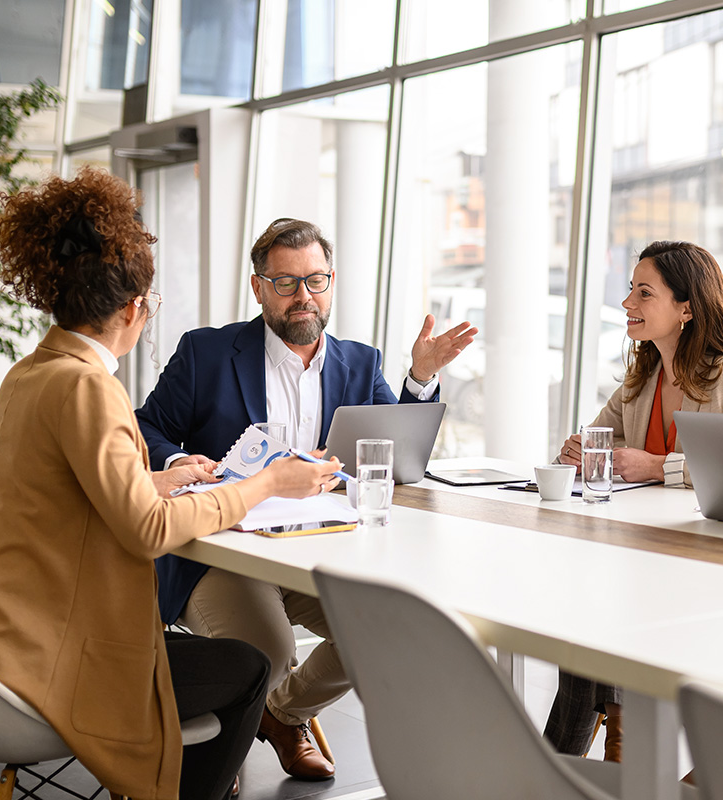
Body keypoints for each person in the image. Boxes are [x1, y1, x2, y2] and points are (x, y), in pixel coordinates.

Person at [0, 170, 342, 800]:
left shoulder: (33, 372)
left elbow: (68, 486)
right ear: (132, 308)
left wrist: (157, 475)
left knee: (251, 660)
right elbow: (148, 530)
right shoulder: (87, 386)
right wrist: (266, 482)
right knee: (251, 668)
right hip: (52, 654)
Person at [135, 217, 477, 780]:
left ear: (332, 281)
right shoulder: (205, 353)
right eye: (287, 283)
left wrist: (419, 377)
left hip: (322, 549)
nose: (303, 297)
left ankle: (282, 715)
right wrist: (178, 464)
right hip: (224, 553)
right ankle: (244, 741)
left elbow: (393, 452)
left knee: (392, 625)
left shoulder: (359, 362)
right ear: (258, 287)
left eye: (315, 281)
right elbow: (146, 429)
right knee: (267, 650)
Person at [546, 240, 723, 761]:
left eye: (643, 293)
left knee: (595, 616)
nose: (628, 303)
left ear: (687, 308)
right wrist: (576, 451)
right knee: (586, 610)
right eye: (630, 291)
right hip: (645, 557)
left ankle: (567, 761)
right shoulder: (640, 379)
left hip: (710, 567)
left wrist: (659, 466)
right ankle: (604, 749)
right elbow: (594, 442)